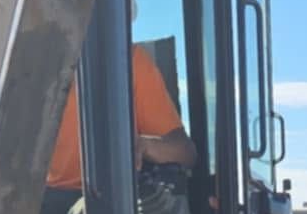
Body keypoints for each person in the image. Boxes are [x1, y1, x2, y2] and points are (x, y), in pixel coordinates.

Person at [46, 45, 195, 198]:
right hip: (36, 198)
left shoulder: (129, 61)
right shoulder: (28, 65)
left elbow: (184, 153)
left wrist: (147, 146)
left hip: (105, 197)